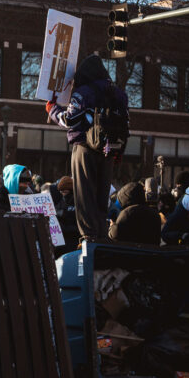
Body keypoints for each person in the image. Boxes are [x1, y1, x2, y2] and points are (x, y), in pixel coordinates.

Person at [46, 54, 129, 242]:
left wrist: (52, 109)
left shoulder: (83, 92)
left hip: (85, 146)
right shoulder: (118, 94)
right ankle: (100, 236)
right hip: (109, 150)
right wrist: (118, 152)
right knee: (101, 196)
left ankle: (88, 238)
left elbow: (70, 120)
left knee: (84, 195)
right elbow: (126, 124)